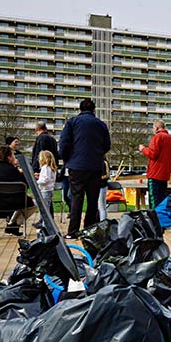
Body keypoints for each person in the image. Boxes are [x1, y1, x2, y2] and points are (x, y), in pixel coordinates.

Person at [59, 98, 111, 237]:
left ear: (80, 109)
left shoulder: (72, 122)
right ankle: (89, 229)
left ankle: (73, 231)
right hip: (95, 166)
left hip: (76, 166)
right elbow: (107, 145)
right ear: (94, 110)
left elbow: (64, 143)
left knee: (77, 198)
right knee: (93, 200)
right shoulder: (101, 125)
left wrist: (67, 159)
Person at [0, 145, 36, 236]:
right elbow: (25, 186)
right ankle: (14, 224)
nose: (14, 157)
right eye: (13, 155)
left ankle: (12, 225)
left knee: (23, 201)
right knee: (33, 203)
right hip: (14, 205)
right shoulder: (14, 171)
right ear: (9, 157)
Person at [139, 118, 171, 208]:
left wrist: (143, 149)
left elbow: (153, 154)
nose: (153, 130)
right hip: (165, 175)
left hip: (154, 174)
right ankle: (161, 219)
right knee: (162, 199)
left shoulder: (157, 137)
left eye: (153, 128)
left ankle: (154, 219)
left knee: (153, 199)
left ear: (157, 127)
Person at [35, 150, 57, 225]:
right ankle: (41, 223)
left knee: (44, 209)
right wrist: (39, 177)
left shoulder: (45, 167)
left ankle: (45, 225)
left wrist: (37, 182)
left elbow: (45, 180)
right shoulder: (51, 168)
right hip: (49, 190)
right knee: (45, 208)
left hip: (45, 191)